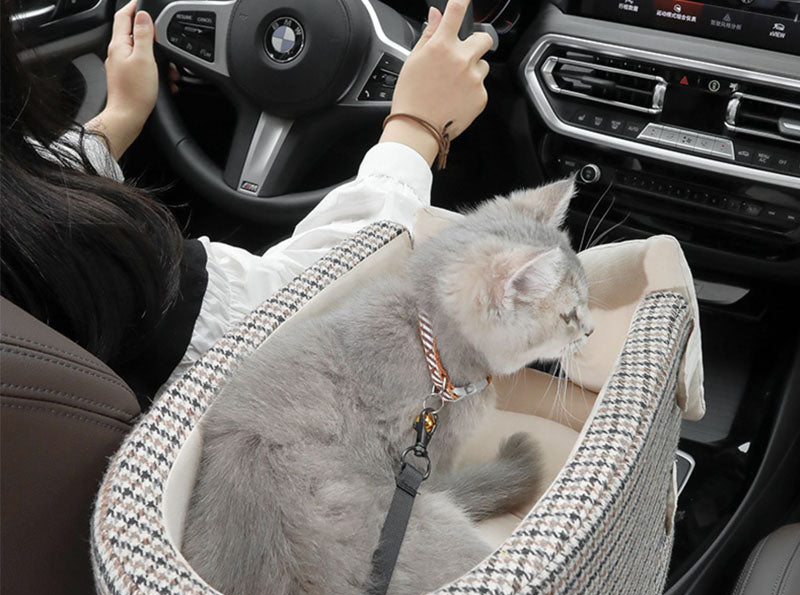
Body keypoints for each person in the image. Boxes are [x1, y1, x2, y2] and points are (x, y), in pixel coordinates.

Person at [0, 0, 493, 406]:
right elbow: (307, 316)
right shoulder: (91, 263)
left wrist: (120, 117)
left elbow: (29, 182)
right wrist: (417, 125)